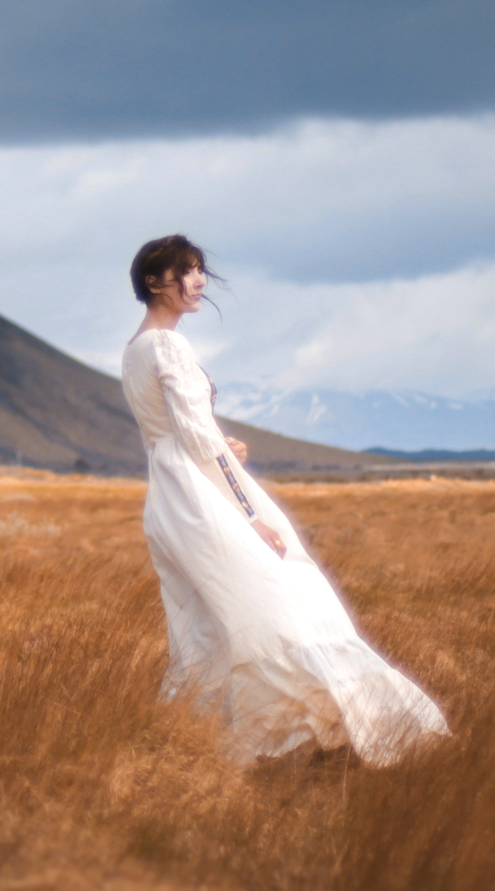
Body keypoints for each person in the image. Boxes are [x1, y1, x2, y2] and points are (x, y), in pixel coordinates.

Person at [118, 234, 448, 765]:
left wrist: (222, 447)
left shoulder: (135, 349)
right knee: (282, 609)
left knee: (211, 625)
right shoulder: (168, 345)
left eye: (201, 270)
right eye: (186, 272)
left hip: (170, 496)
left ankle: (212, 748)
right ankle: (311, 736)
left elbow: (181, 435)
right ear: (156, 283)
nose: (199, 281)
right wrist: (250, 515)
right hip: (199, 498)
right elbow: (197, 437)